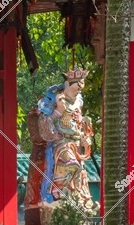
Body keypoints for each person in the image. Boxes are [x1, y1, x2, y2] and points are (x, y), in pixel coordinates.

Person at [38, 67, 95, 212]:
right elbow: (44, 125)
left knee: (79, 174)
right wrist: (58, 111)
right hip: (61, 143)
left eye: (82, 84)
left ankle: (75, 199)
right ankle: (56, 193)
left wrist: (85, 137)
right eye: (78, 85)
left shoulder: (78, 102)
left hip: (76, 144)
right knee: (71, 164)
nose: (80, 88)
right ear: (68, 85)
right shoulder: (57, 100)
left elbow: (79, 124)